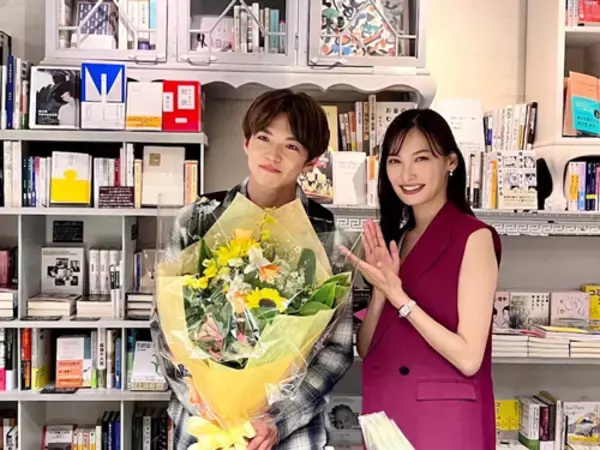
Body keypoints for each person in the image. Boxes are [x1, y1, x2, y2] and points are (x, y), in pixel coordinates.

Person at [150, 89, 354, 450]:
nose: (273, 155)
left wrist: (276, 419)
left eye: (291, 146)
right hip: (203, 429)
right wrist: (204, 402)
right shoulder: (197, 220)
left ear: (311, 161)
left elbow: (336, 349)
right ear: (246, 142)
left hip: (289, 435)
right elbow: (164, 329)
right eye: (263, 138)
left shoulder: (326, 236)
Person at [340, 108, 501, 449]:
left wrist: (399, 296)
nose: (407, 174)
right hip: (387, 413)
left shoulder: (474, 237)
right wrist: (381, 291)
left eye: (421, 158)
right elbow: (367, 349)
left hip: (444, 422)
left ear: (450, 162)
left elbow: (469, 358)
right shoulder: (397, 239)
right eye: (394, 161)